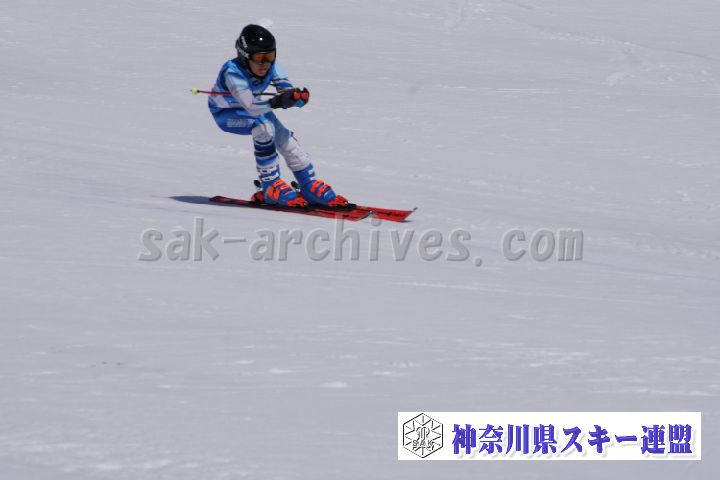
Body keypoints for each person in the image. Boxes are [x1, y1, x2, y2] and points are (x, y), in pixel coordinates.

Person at [208, 24, 347, 208]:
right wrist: (277, 102)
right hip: (226, 113)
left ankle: (308, 184)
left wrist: (296, 98)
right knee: (264, 129)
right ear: (244, 55)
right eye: (259, 58)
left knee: (284, 137)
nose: (265, 63)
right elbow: (251, 106)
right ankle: (270, 186)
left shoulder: (273, 66)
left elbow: (285, 90)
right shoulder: (233, 73)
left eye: (270, 56)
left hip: (255, 109)